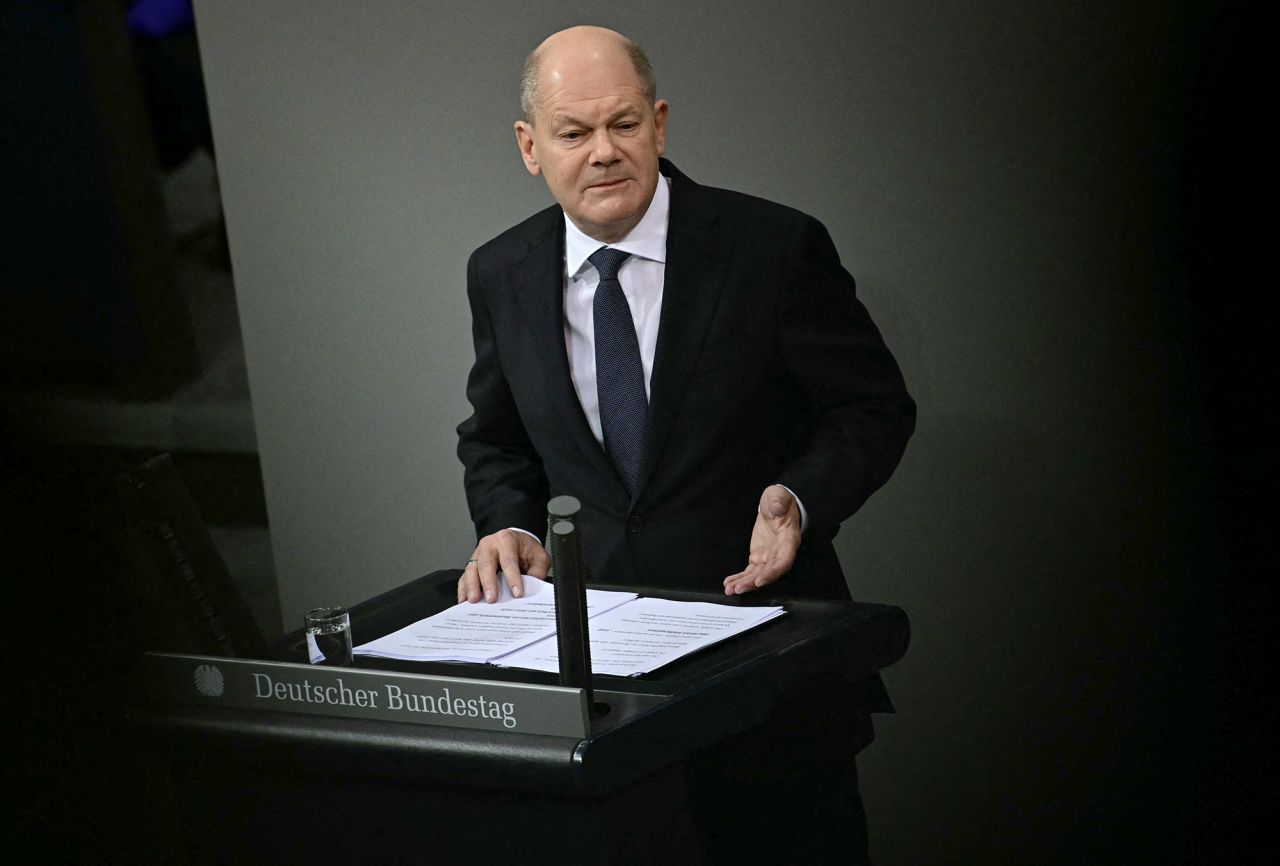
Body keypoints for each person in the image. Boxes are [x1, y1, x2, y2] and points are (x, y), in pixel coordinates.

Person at [455, 25, 914, 863]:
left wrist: (802, 498)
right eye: (573, 132)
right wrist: (509, 524)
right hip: (598, 708)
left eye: (623, 124)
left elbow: (872, 406)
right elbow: (495, 440)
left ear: (659, 123)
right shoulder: (502, 272)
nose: (603, 152)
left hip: (768, 691)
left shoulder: (772, 247)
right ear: (530, 147)